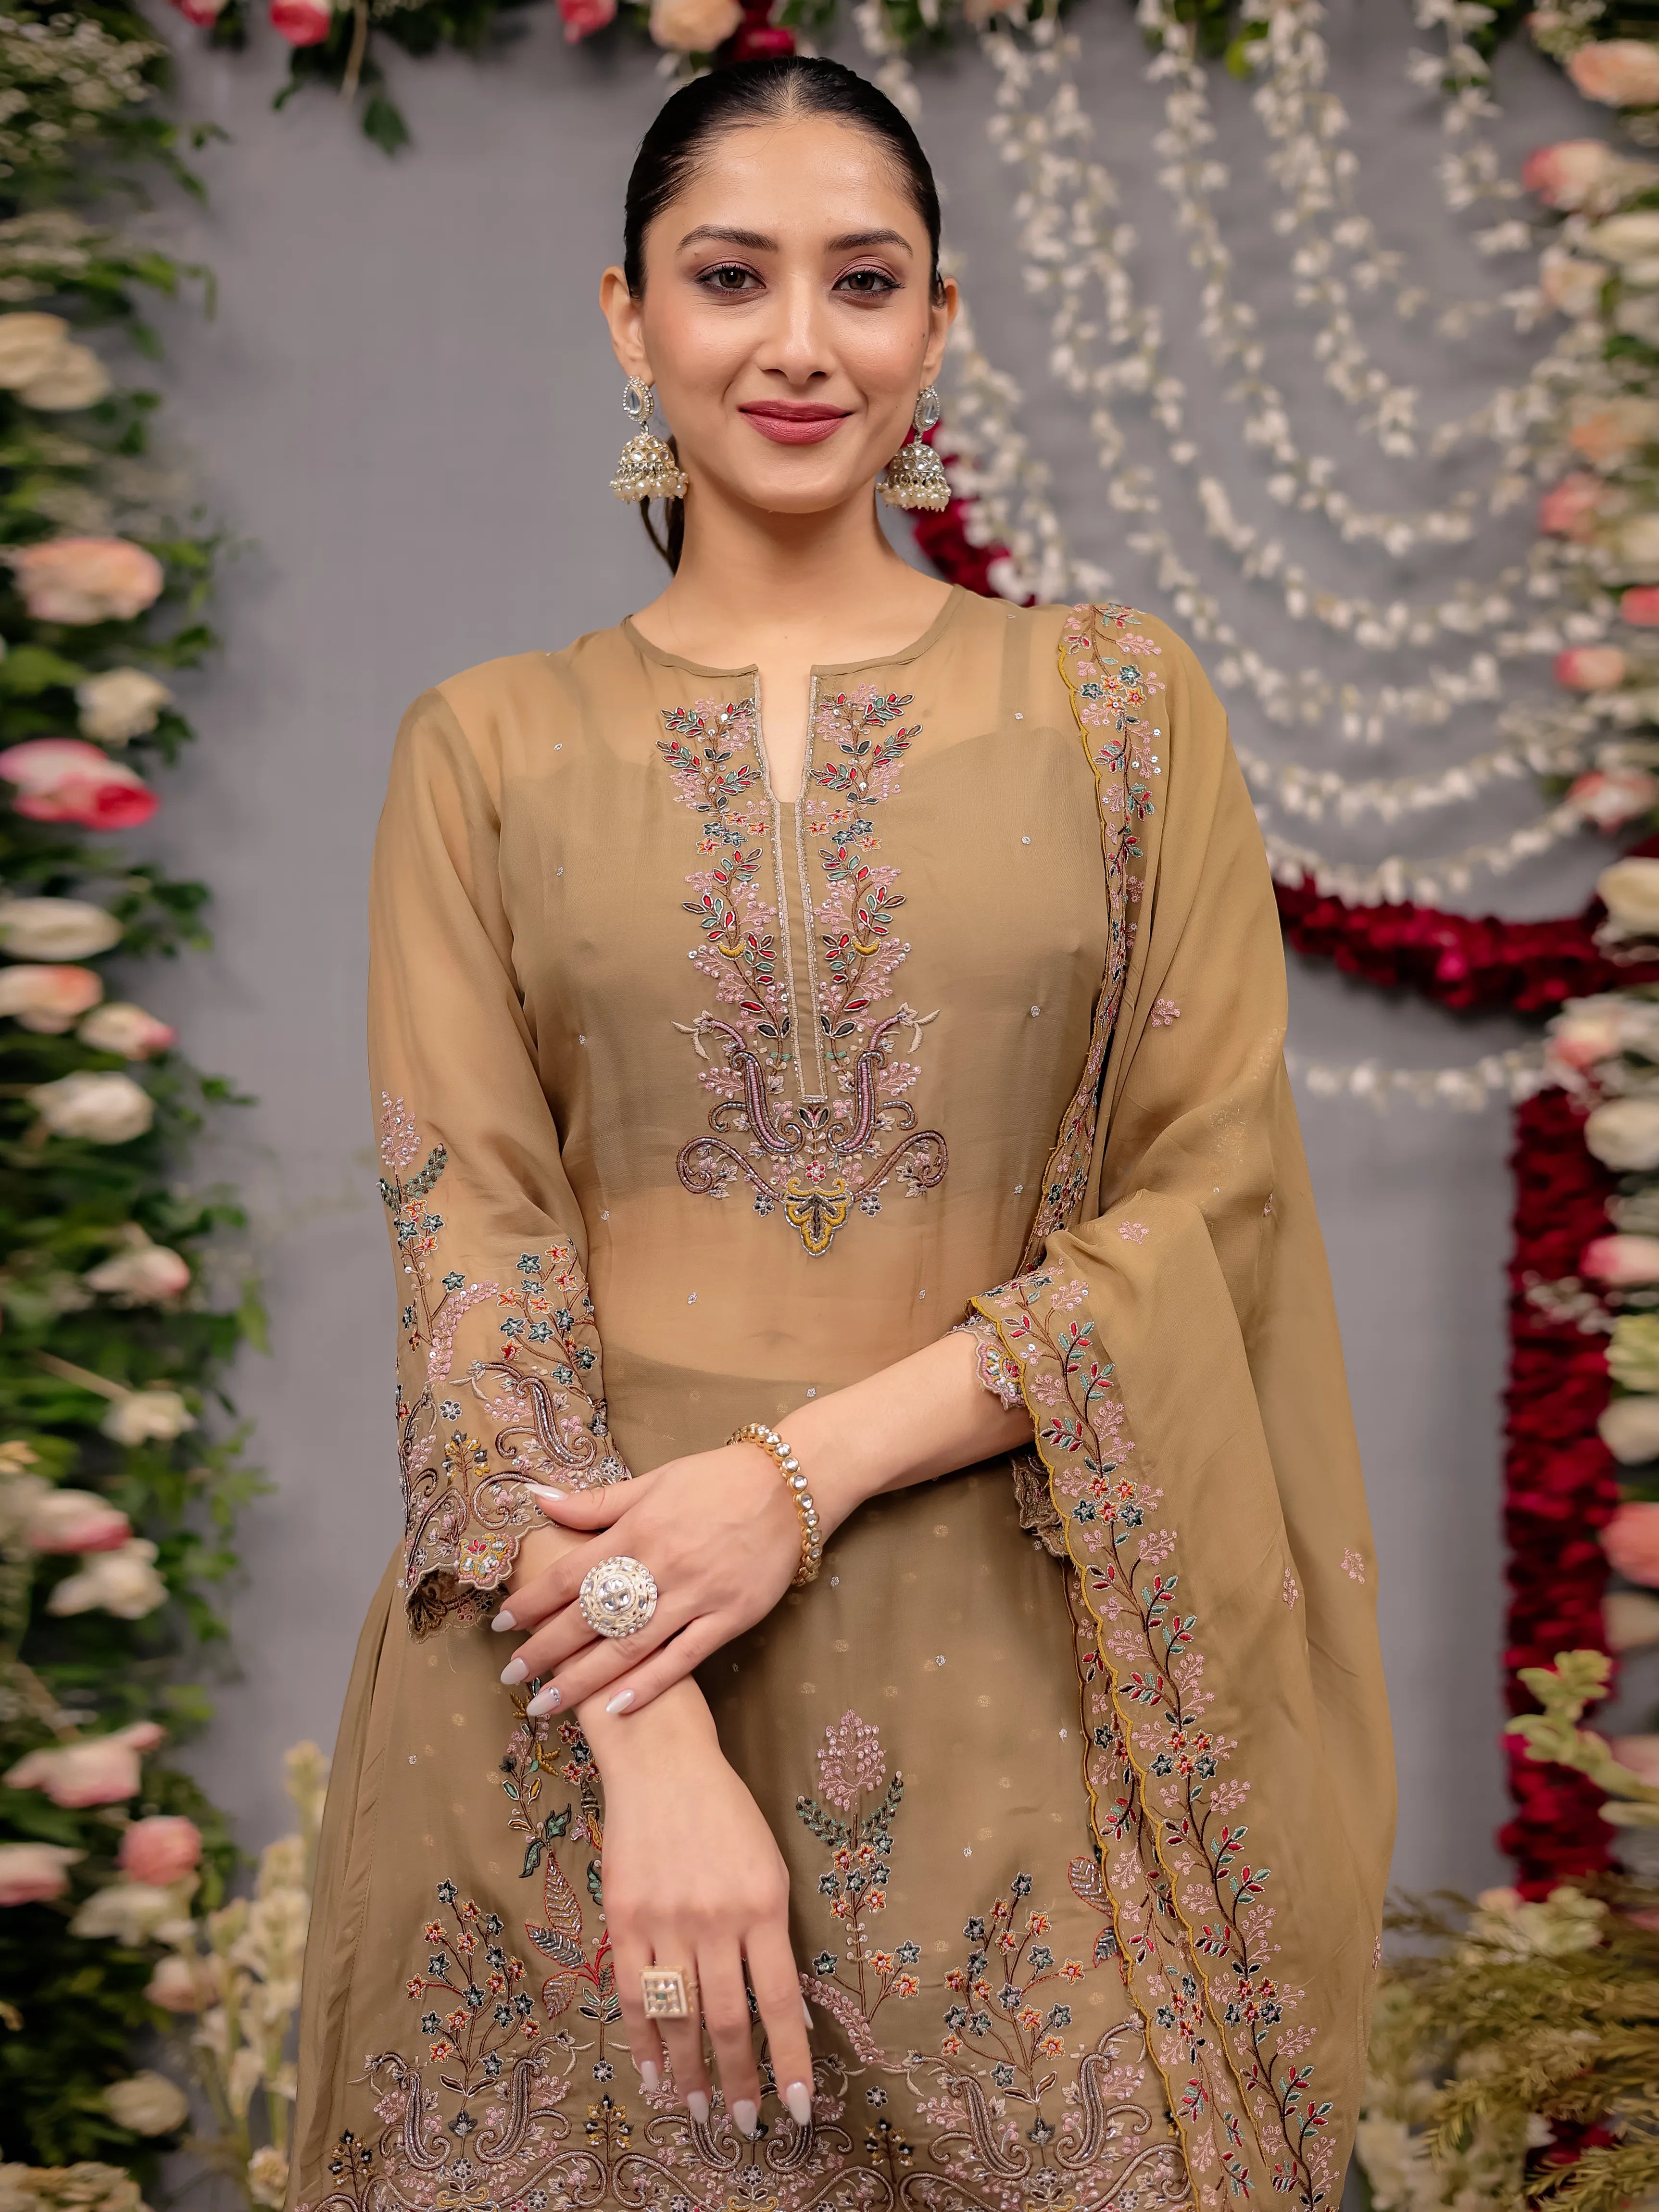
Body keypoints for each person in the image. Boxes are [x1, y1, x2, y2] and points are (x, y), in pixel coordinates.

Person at [289, 55, 1394, 2212]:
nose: (797, 343)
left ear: (937, 326)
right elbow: (474, 1256)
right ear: (628, 317)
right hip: (568, 1698)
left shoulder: (1118, 710)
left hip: (1024, 1687)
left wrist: (786, 1485)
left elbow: (1201, 1199)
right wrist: (646, 1733)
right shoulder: (485, 750)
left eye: (860, 282)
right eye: (730, 277)